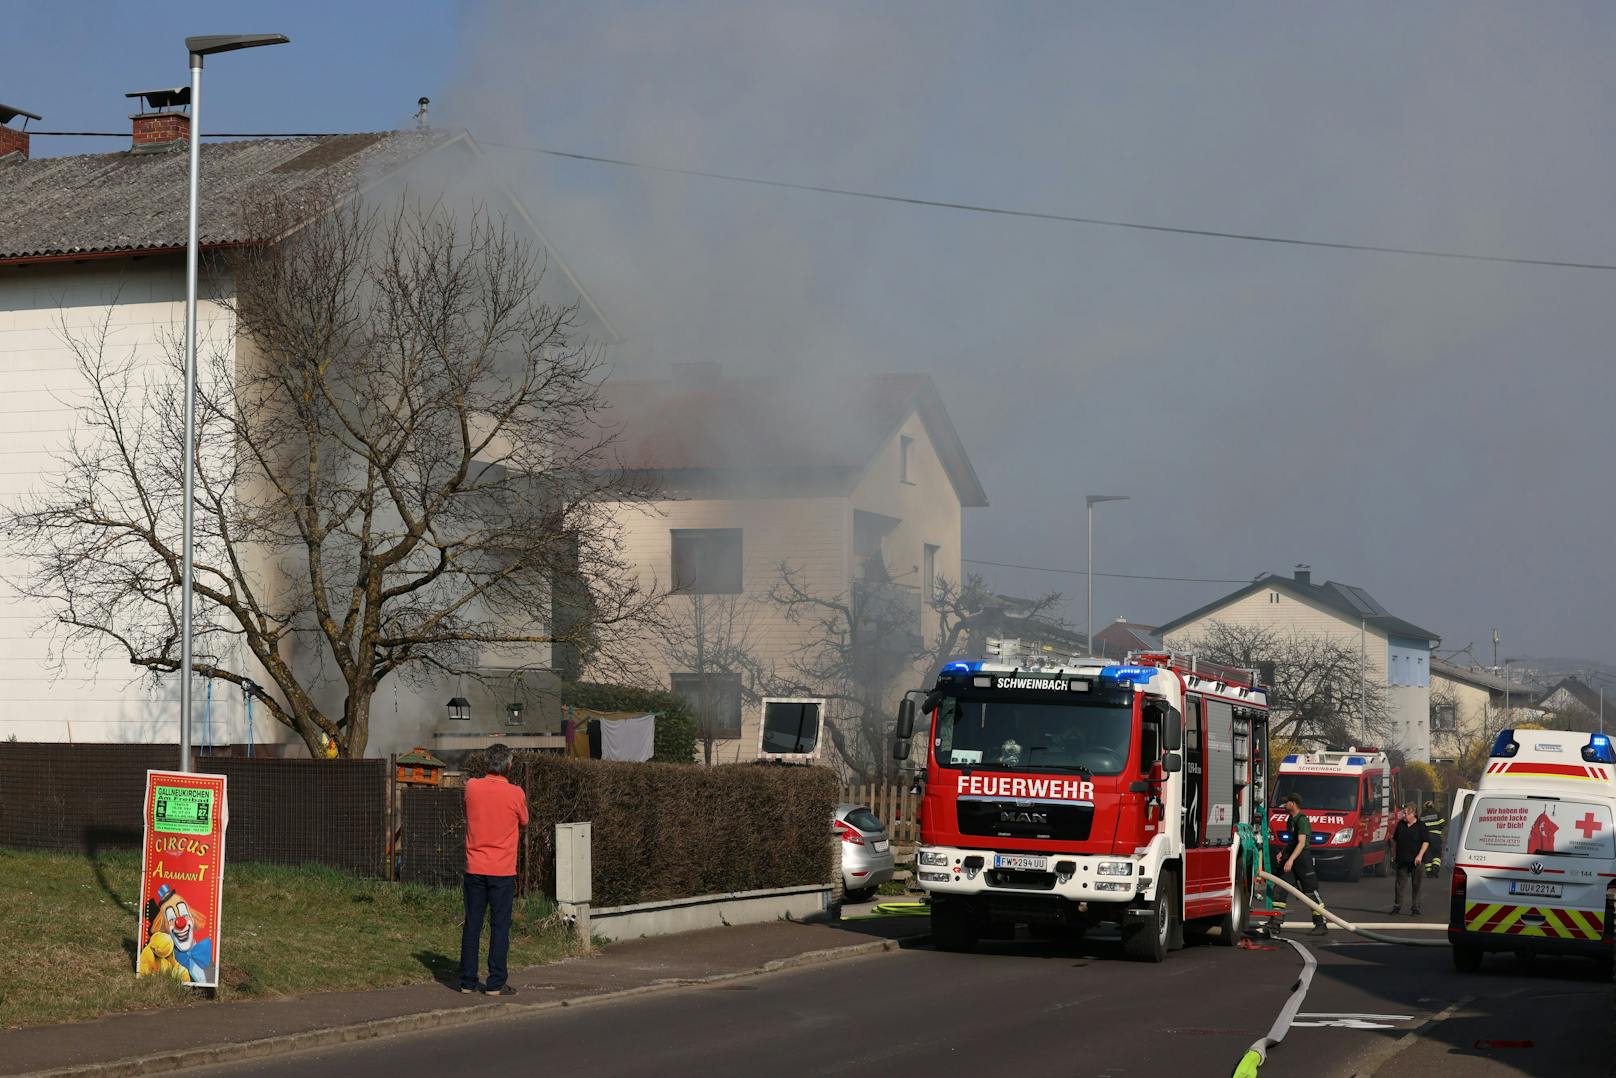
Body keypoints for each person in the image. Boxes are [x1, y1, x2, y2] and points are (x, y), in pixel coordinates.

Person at [460, 743, 529, 995]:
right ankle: (495, 982)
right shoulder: (516, 793)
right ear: (509, 766)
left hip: (474, 866)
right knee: (499, 927)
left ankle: (467, 982)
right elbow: (524, 821)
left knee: (472, 925)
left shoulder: (471, 787)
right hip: (502, 870)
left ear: (486, 763)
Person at [1280, 793, 1328, 936]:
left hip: (1302, 860)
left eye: (1286, 802)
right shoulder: (1290, 820)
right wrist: (1282, 853)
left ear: (1293, 804)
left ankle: (1321, 924)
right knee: (1280, 888)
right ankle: (1275, 922)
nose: (1283, 805)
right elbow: (1292, 841)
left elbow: (1301, 843)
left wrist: (1290, 860)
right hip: (1293, 858)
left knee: (1310, 892)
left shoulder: (1302, 821)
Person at [1387, 803, 1430, 915]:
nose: (1403, 815)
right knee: (1400, 884)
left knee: (1416, 884)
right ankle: (1397, 906)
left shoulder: (1421, 826)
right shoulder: (1401, 824)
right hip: (1402, 859)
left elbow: (1425, 842)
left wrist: (1420, 855)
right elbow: (1395, 840)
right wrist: (1393, 855)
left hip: (1416, 861)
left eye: (1405, 813)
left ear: (1413, 814)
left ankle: (1415, 908)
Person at [1420, 799, 1446, 878]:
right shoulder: (1437, 813)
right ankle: (1435, 868)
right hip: (1435, 837)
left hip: (1425, 838)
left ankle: (1429, 872)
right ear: (1432, 806)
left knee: (1427, 854)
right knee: (1437, 853)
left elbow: (1419, 827)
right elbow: (1443, 823)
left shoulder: (1422, 815)